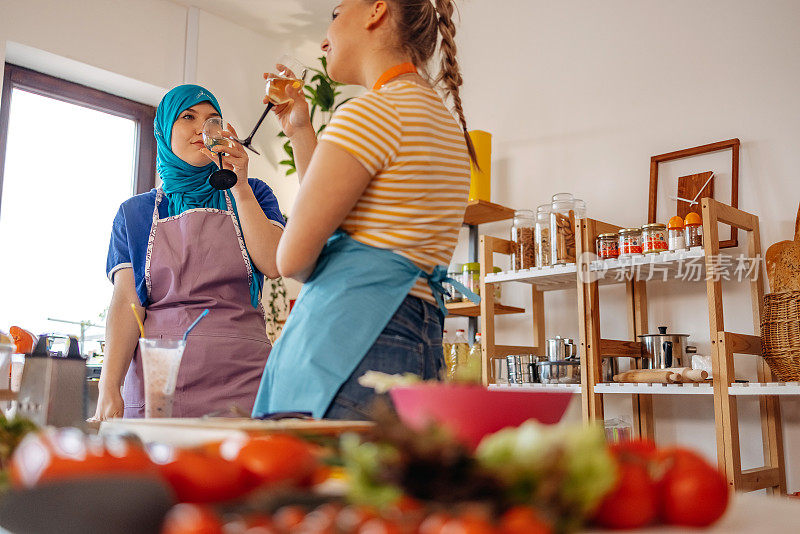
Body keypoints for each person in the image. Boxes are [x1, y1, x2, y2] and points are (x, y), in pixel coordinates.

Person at [252, 0, 477, 420]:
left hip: (350, 341)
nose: (324, 37)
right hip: (416, 334)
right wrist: (301, 129)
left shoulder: (371, 112)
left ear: (376, 11)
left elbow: (292, 258)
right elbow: (337, 210)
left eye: (335, 15)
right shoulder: (443, 125)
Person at [94, 85, 284, 419]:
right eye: (188, 117)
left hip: (244, 380)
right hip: (160, 381)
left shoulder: (253, 193)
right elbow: (127, 304)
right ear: (165, 131)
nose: (202, 128)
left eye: (214, 120)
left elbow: (272, 263)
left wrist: (238, 186)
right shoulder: (134, 214)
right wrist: (109, 387)